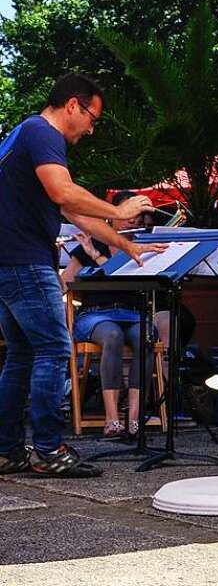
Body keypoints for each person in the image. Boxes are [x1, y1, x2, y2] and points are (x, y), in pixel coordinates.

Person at [0, 74, 160, 478]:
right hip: (24, 261)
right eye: (92, 117)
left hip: (8, 262)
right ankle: (49, 450)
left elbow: (73, 212)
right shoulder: (42, 133)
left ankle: (7, 450)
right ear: (73, 105)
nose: (91, 128)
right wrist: (121, 211)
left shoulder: (23, 133)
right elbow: (64, 193)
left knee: (21, 355)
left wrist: (125, 244)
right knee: (54, 351)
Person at [61, 190, 158, 439]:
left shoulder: (142, 246)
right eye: (128, 213)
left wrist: (99, 258)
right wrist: (85, 255)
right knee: (112, 336)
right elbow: (65, 285)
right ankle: (112, 418)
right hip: (96, 315)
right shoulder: (91, 243)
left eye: (137, 215)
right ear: (111, 215)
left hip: (133, 314)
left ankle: (135, 419)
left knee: (145, 337)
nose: (133, 220)